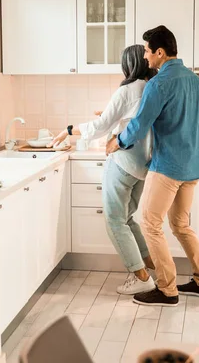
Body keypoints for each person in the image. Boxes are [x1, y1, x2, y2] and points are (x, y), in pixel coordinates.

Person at [106, 25, 199, 306]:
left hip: (167, 167)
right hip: (192, 166)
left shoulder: (159, 83)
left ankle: (167, 289)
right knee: (181, 225)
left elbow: (140, 124)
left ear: (160, 53)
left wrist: (119, 140)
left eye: (147, 51)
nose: (145, 57)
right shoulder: (198, 83)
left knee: (150, 224)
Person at [48, 44, 158, 295]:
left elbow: (99, 126)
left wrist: (68, 130)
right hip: (143, 166)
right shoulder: (153, 88)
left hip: (122, 163)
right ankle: (154, 268)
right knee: (127, 219)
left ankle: (141, 277)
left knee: (114, 221)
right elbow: (132, 121)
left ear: (128, 65)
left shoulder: (128, 90)